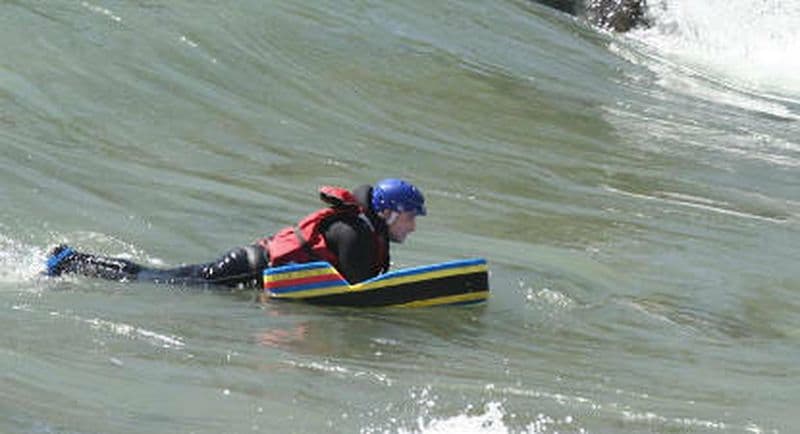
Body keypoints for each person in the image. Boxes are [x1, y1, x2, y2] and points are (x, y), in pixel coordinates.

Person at [44, 178, 426, 288]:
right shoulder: (357, 235)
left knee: (166, 276)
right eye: (410, 217)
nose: (412, 226)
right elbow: (355, 292)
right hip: (247, 267)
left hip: (253, 263)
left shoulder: (367, 230)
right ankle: (74, 261)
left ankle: (75, 260)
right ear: (388, 214)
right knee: (154, 279)